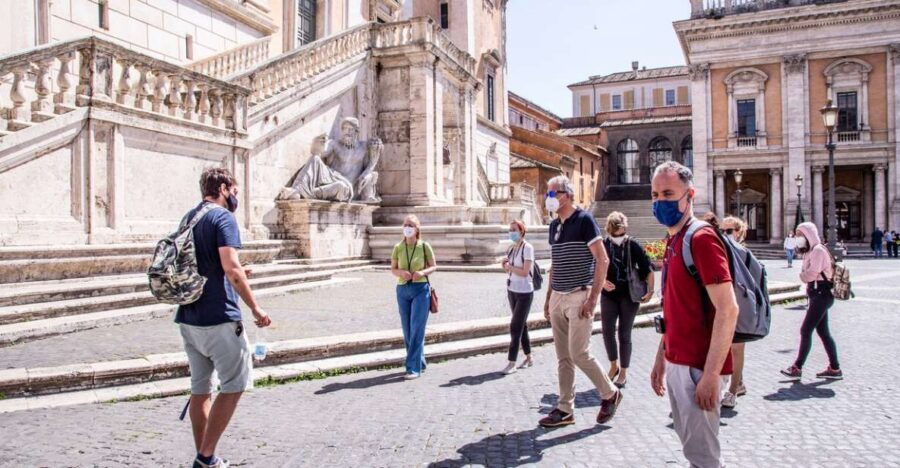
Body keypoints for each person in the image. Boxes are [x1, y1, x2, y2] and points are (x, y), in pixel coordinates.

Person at [176, 167, 272, 468]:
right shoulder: (223, 218)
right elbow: (231, 268)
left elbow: (207, 264)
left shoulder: (189, 217)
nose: (236, 196)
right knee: (234, 384)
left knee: (200, 388)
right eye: (235, 190)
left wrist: (239, 273)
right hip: (219, 317)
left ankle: (205, 456)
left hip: (189, 317)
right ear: (224, 188)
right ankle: (205, 456)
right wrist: (256, 308)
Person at [649, 162, 739, 468]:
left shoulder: (701, 239)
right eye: (656, 194)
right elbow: (675, 308)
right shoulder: (672, 241)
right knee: (694, 451)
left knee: (704, 458)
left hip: (699, 367)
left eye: (668, 194)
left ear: (689, 196)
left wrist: (712, 375)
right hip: (678, 360)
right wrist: (662, 356)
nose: (660, 201)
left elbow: (728, 309)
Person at [538, 175, 622, 428]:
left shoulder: (584, 220)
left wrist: (593, 298)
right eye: (548, 193)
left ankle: (610, 393)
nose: (548, 198)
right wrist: (547, 298)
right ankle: (565, 409)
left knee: (579, 353)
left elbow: (603, 259)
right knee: (563, 357)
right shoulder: (554, 225)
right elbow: (555, 264)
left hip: (579, 294)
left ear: (567, 195)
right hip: (558, 297)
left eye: (553, 193)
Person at [781, 222, 843, 381]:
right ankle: (835, 368)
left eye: (800, 234)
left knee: (805, 330)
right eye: (796, 234)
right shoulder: (812, 251)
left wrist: (802, 276)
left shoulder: (817, 251)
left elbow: (811, 273)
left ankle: (797, 367)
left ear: (808, 234)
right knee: (824, 333)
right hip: (818, 294)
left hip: (821, 294)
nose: (797, 238)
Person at [601, 211, 654, 389]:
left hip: (629, 296)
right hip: (608, 295)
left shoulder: (632, 244)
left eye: (620, 225)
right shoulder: (603, 244)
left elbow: (648, 268)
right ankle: (614, 365)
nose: (618, 228)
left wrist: (650, 290)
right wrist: (601, 281)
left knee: (624, 334)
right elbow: (595, 266)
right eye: (615, 225)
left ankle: (623, 371)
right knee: (607, 331)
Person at [390, 215, 438, 380]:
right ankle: (420, 361)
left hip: (420, 289)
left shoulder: (425, 246)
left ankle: (413, 368)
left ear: (417, 229)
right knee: (407, 329)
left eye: (411, 225)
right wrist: (401, 273)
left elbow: (434, 266)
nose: (407, 227)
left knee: (417, 328)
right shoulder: (398, 247)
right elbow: (393, 269)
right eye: (405, 225)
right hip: (402, 289)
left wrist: (421, 273)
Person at [720, 216, 749, 410]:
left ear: (738, 232)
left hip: (740, 305)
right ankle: (738, 382)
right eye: (722, 231)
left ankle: (732, 391)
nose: (725, 235)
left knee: (737, 349)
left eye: (729, 231)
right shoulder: (721, 251)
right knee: (725, 348)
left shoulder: (745, 253)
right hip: (723, 305)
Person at [501, 220, 535, 374]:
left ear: (522, 231)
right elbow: (510, 270)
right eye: (510, 229)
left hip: (525, 292)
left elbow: (525, 272)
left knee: (515, 326)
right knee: (522, 325)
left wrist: (510, 267)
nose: (511, 232)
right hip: (512, 290)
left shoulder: (527, 248)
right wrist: (505, 267)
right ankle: (529, 357)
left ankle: (511, 362)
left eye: (514, 229)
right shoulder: (511, 249)